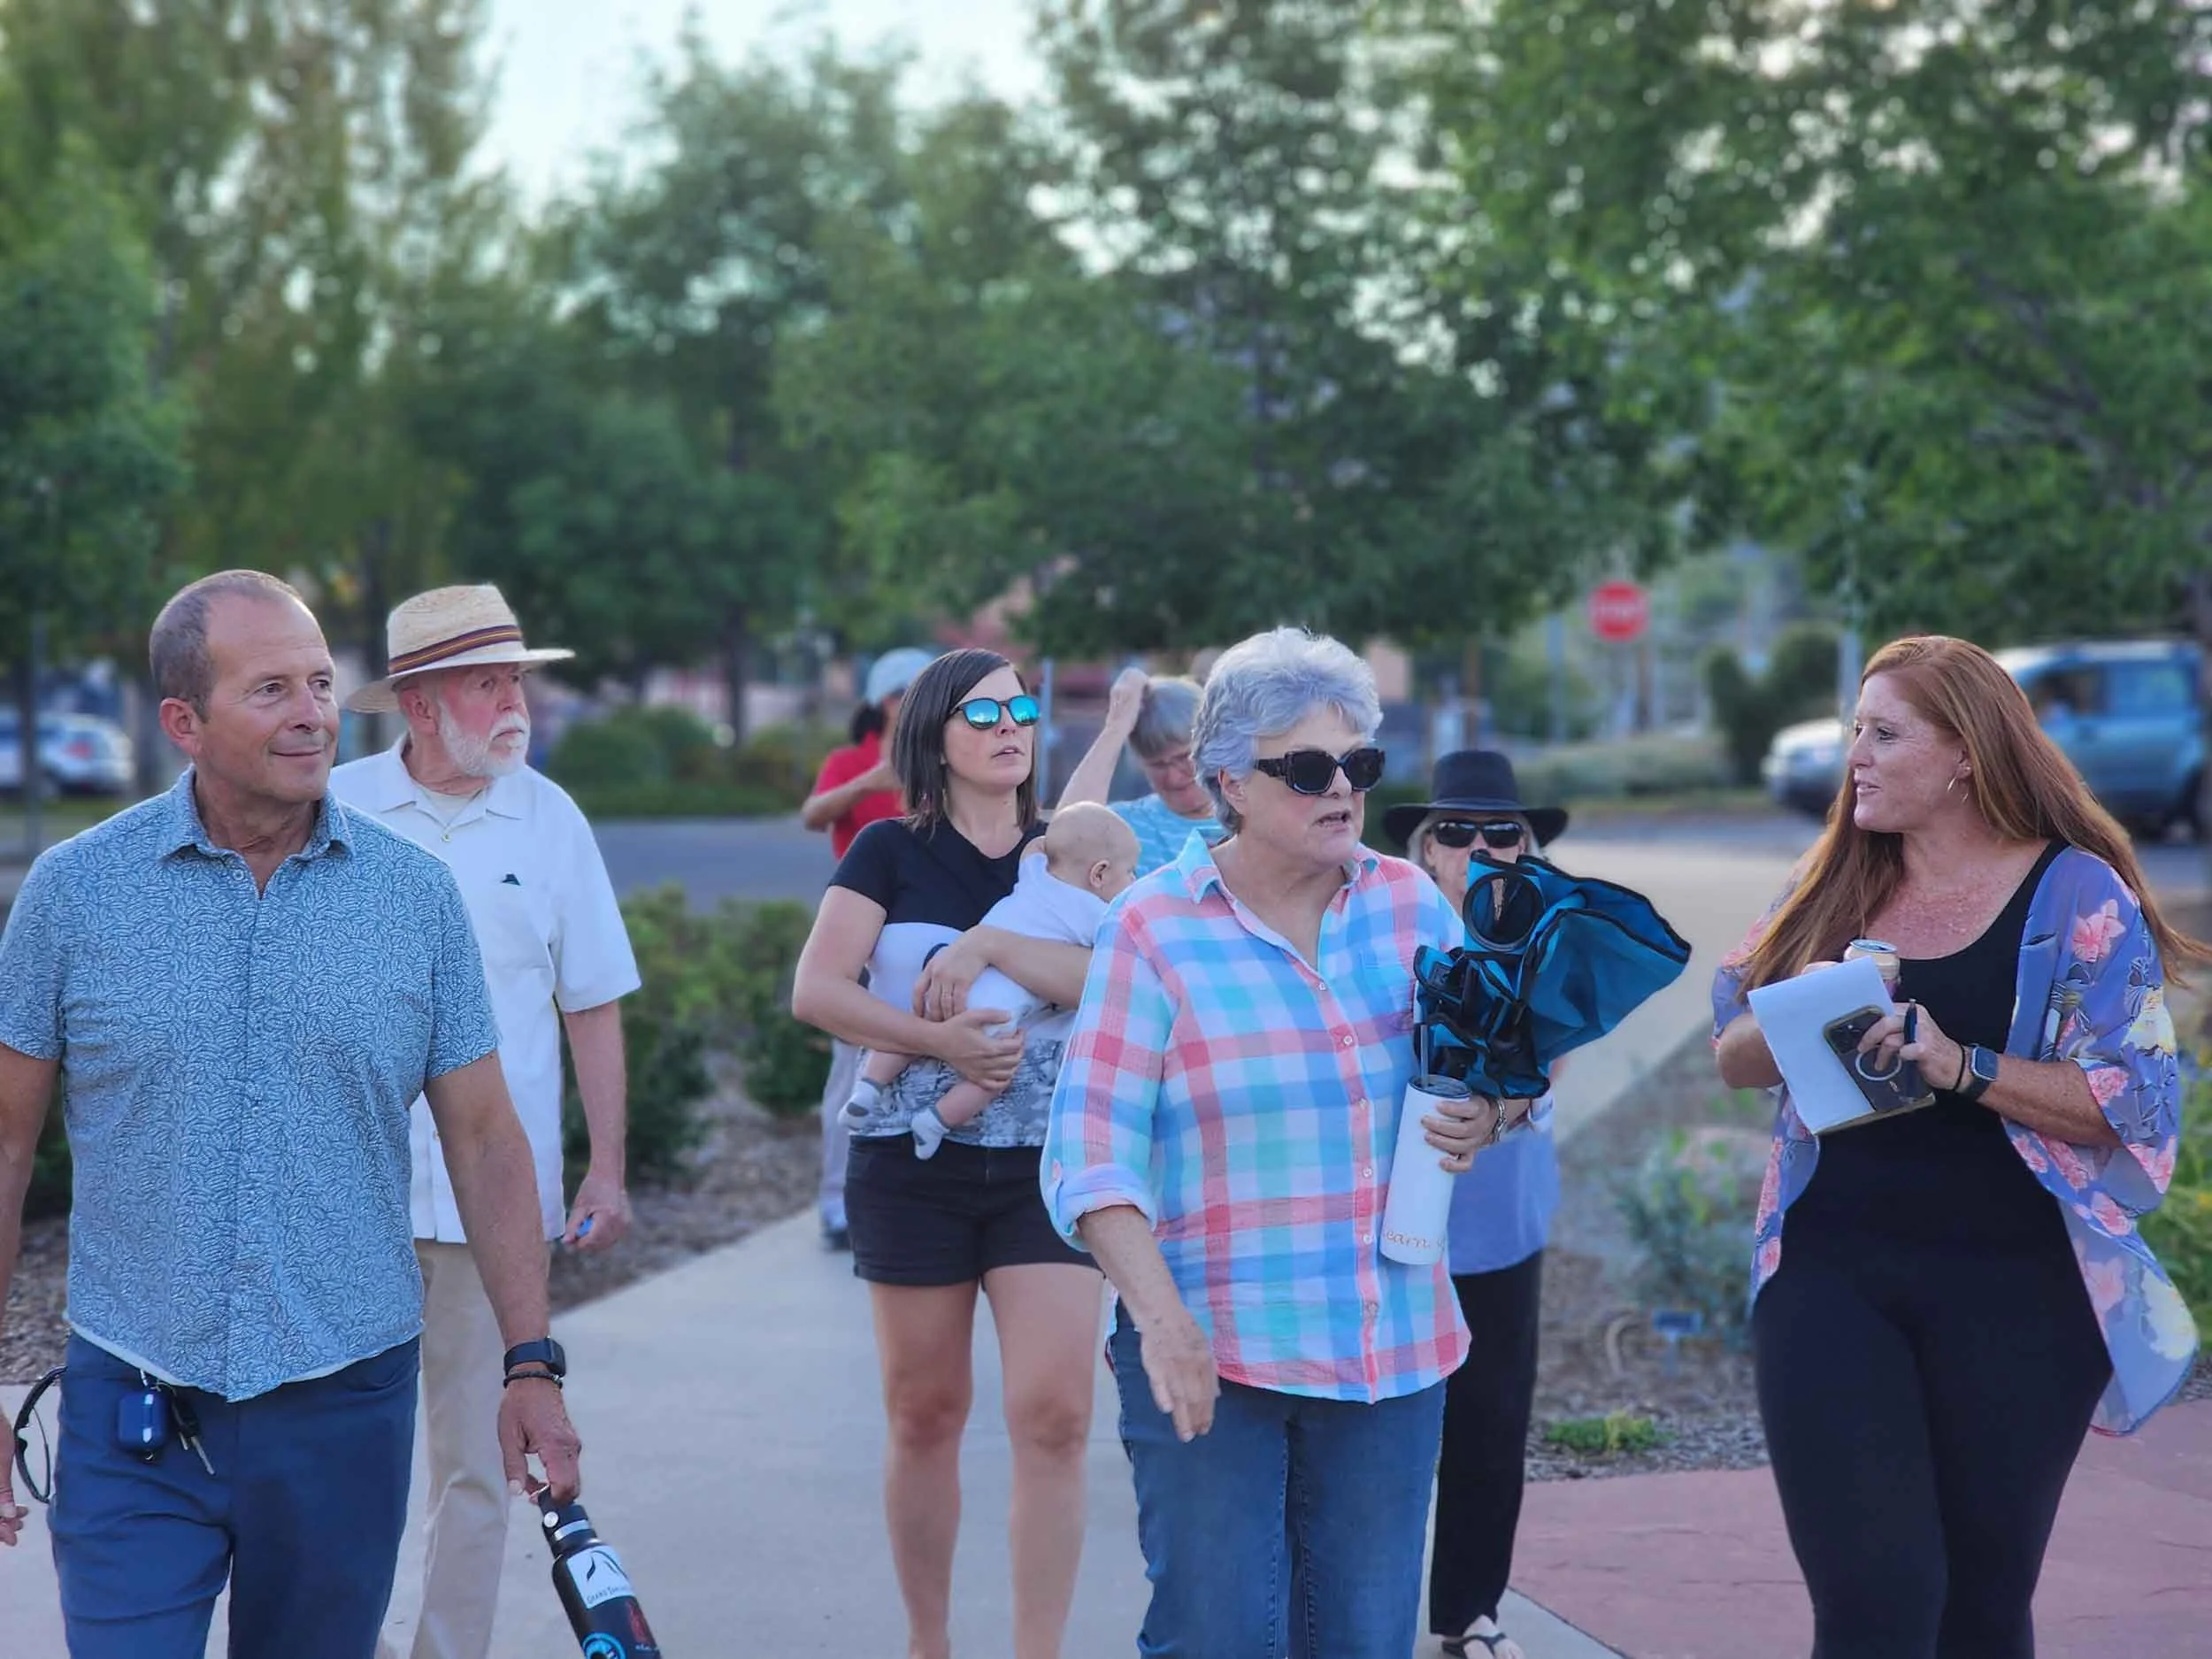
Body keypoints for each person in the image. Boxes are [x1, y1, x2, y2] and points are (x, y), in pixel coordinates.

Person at [0, 571, 581, 1659]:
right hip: (135, 1410)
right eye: (270, 689)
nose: (313, 713)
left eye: (319, 682)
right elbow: (4, 1141)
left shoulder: (413, 899)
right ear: (184, 723)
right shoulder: (76, 895)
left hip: (343, 1409)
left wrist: (530, 1364)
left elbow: (485, 1138)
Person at [1713, 634, 2202, 1659]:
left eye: (1884, 735)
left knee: (1979, 1612)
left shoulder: (2075, 895)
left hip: (2021, 1292)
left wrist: (1961, 1065)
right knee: (1875, 1604)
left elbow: (2136, 1100)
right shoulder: (1831, 881)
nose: (1854, 755)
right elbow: (1733, 1054)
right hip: (1829, 1275)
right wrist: (1816, 1003)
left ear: (1964, 756)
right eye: (1854, 729)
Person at [1043, 626, 1503, 1659]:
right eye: (1305, 769)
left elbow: (1490, 1072)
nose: (1340, 788)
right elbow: (1087, 1156)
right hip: (1214, 1355)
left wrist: (1487, 1112)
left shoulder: (1411, 906)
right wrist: (1162, 1325)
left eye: (1359, 764)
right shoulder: (1152, 928)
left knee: (1362, 1643)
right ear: (1228, 785)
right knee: (1218, 1639)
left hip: (1389, 1351)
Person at [331, 584, 641, 1659]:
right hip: (347, 1199)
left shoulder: (551, 819)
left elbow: (591, 999)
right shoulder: (335, 809)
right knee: (338, 1462)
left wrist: (606, 1168)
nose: (517, 703)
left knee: (478, 1465)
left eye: (518, 680)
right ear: (419, 704)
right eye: (487, 684)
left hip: (492, 1207)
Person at [790, 649, 1104, 1659]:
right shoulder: (889, 850)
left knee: (1054, 1415)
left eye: (1022, 709)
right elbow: (818, 991)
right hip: (911, 1168)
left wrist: (994, 948)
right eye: (984, 713)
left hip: (1048, 1167)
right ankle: (929, 1644)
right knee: (926, 1413)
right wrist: (938, 1041)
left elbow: (1116, 976)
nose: (1012, 726)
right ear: (933, 734)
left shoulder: (1067, 850)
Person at [1387, 751, 1571, 1659]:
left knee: (1491, 1418)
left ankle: (1469, 1611)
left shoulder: (1553, 939)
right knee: (1381, 1426)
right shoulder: (1380, 925)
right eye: (1455, 831)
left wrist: (1502, 1107)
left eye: (1502, 831)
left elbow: (1550, 1063)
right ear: (1426, 848)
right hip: (1384, 1211)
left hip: (1498, 1215)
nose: (1480, 846)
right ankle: (1365, 1611)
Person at [842, 803, 1139, 1158]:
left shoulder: (1036, 875)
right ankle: (936, 1120)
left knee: (919, 1022)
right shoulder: (1099, 914)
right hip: (999, 1011)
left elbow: (1035, 849)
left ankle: (867, 1088)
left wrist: (1052, 841)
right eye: (1130, 872)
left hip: (959, 981)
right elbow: (1120, 965)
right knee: (993, 1076)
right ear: (1099, 873)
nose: (1133, 882)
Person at [803, 646, 934, 1250]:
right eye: (902, 694)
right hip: (861, 935)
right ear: (882, 703)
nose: (911, 705)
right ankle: (837, 1200)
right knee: (852, 1071)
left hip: (931, 937)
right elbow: (813, 814)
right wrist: (872, 781)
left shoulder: (943, 758)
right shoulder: (851, 759)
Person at [1057, 666, 1225, 875]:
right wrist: (1117, 726)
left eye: (1184, 757)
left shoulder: (1250, 817)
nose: (1173, 778)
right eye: (1158, 765)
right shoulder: (1124, 825)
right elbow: (1064, 840)